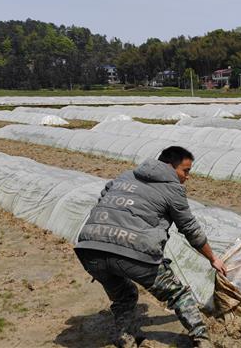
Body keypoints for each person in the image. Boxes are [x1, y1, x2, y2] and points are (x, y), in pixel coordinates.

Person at [74, 146, 224, 348]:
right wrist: (213, 258)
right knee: (177, 294)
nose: (187, 177)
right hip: (134, 252)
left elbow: (103, 200)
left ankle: (124, 337)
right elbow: (189, 227)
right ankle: (202, 340)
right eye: (185, 171)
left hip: (89, 250)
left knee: (125, 296)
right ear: (171, 167)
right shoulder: (173, 188)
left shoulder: (125, 176)